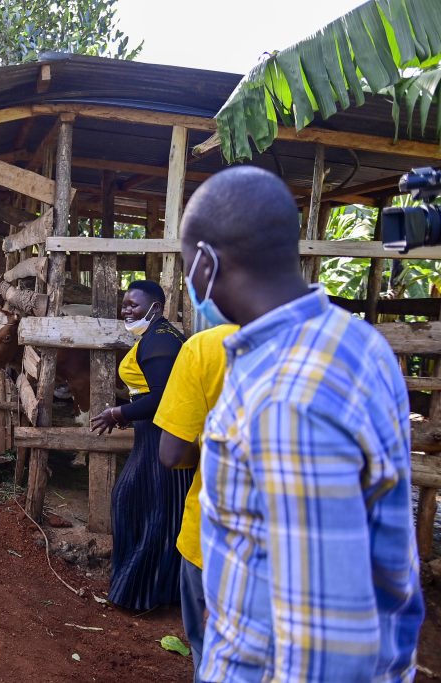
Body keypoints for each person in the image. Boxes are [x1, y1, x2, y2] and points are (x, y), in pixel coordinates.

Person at [181, 166, 423, 682]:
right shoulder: (357, 344)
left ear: (205, 263)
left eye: (187, 267)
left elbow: (323, 649)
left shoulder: (285, 399)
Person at [90, 279, 189, 611]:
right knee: (141, 502)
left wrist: (120, 412)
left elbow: (162, 398)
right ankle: (148, 590)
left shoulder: (160, 341)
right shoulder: (159, 336)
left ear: (156, 307)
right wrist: (131, 414)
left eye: (133, 304)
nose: (126, 309)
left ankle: (144, 594)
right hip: (154, 433)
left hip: (163, 436)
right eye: (125, 303)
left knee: (149, 508)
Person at [153, 323, 238, 681]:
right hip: (310, 552)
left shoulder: (206, 347)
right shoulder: (354, 346)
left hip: (214, 538)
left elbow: (171, 454)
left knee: (211, 652)